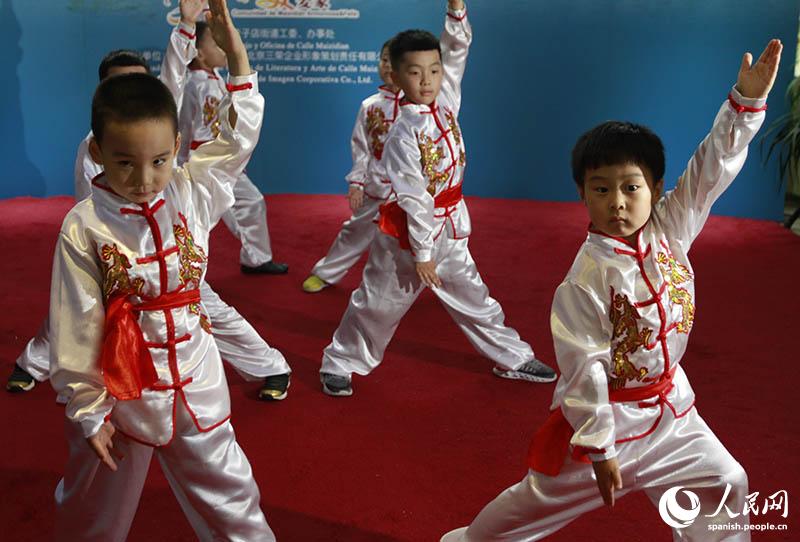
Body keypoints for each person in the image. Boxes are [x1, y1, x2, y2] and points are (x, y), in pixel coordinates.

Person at [441, 38, 783, 542]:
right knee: (532, 504)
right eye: (601, 189)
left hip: (673, 416)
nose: (617, 203)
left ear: (657, 188)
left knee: (727, 481)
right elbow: (584, 370)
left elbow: (713, 167)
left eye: (631, 187)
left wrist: (745, 105)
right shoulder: (583, 281)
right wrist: (600, 450)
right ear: (582, 193)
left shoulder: (671, 227)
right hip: (608, 426)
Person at [49, 2, 278, 539]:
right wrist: (89, 411)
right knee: (93, 508)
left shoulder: (192, 190)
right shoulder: (84, 227)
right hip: (120, 390)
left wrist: (240, 59)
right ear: (97, 152)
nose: (145, 179)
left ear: (176, 148)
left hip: (197, 380)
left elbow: (234, 142)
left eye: (158, 160)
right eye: (124, 162)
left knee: (235, 497)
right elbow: (77, 325)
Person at [319, 0, 556, 397]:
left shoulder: (446, 103)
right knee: (377, 304)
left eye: (434, 71)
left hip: (450, 227)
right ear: (395, 76)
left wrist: (456, 9)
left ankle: (513, 357)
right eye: (414, 73)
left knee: (475, 298)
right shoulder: (401, 133)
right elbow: (413, 195)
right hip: (408, 239)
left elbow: (458, 48)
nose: (427, 81)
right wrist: (423, 253)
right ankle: (340, 361)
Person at [301, 39, 402, 293]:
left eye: (394, 59)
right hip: (377, 187)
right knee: (355, 231)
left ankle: (444, 282)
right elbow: (361, 148)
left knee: (428, 239)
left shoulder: (422, 107)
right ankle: (326, 273)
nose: (387, 64)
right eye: (384, 58)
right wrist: (357, 183)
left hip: (413, 190)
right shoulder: (370, 106)